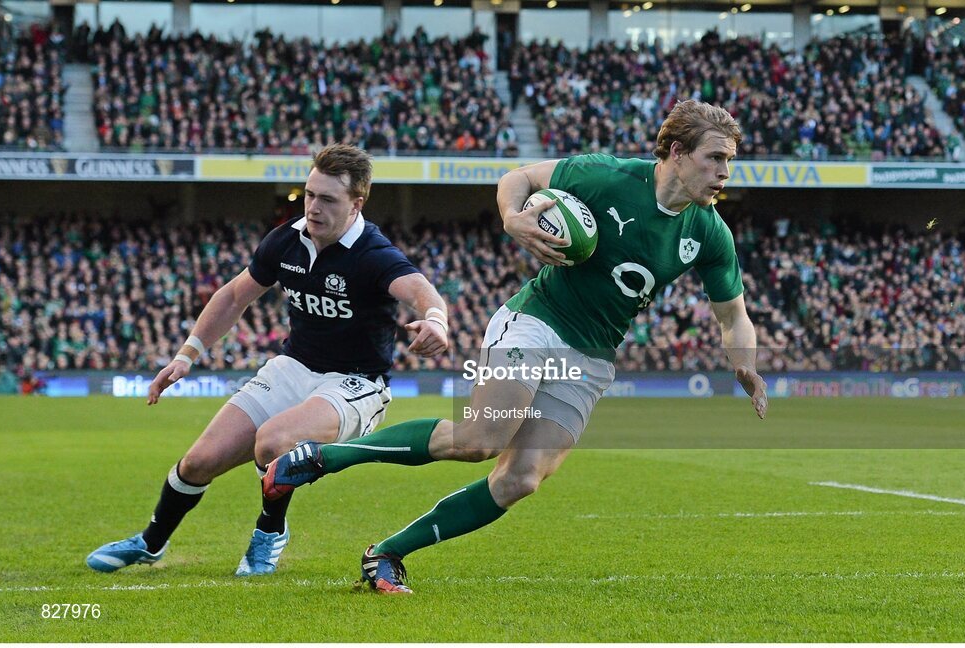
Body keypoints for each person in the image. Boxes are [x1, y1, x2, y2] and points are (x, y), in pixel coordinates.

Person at [264, 100, 768, 593]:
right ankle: (326, 457)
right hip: (536, 320)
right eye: (716, 158)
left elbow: (734, 315)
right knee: (482, 438)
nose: (725, 172)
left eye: (730, 161)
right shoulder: (608, 176)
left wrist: (744, 365)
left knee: (520, 479)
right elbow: (519, 179)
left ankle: (386, 554)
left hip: (591, 356)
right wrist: (511, 217)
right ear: (676, 152)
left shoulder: (708, 232)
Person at [86, 143, 450, 576]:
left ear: (357, 203)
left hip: (355, 383)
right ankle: (150, 543)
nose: (313, 207)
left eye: (327, 199)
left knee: (274, 442)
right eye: (310, 194)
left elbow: (422, 291)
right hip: (292, 367)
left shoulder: (374, 254)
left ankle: (269, 533)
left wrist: (436, 321)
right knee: (198, 463)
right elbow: (235, 295)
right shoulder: (285, 240)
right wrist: (187, 355)